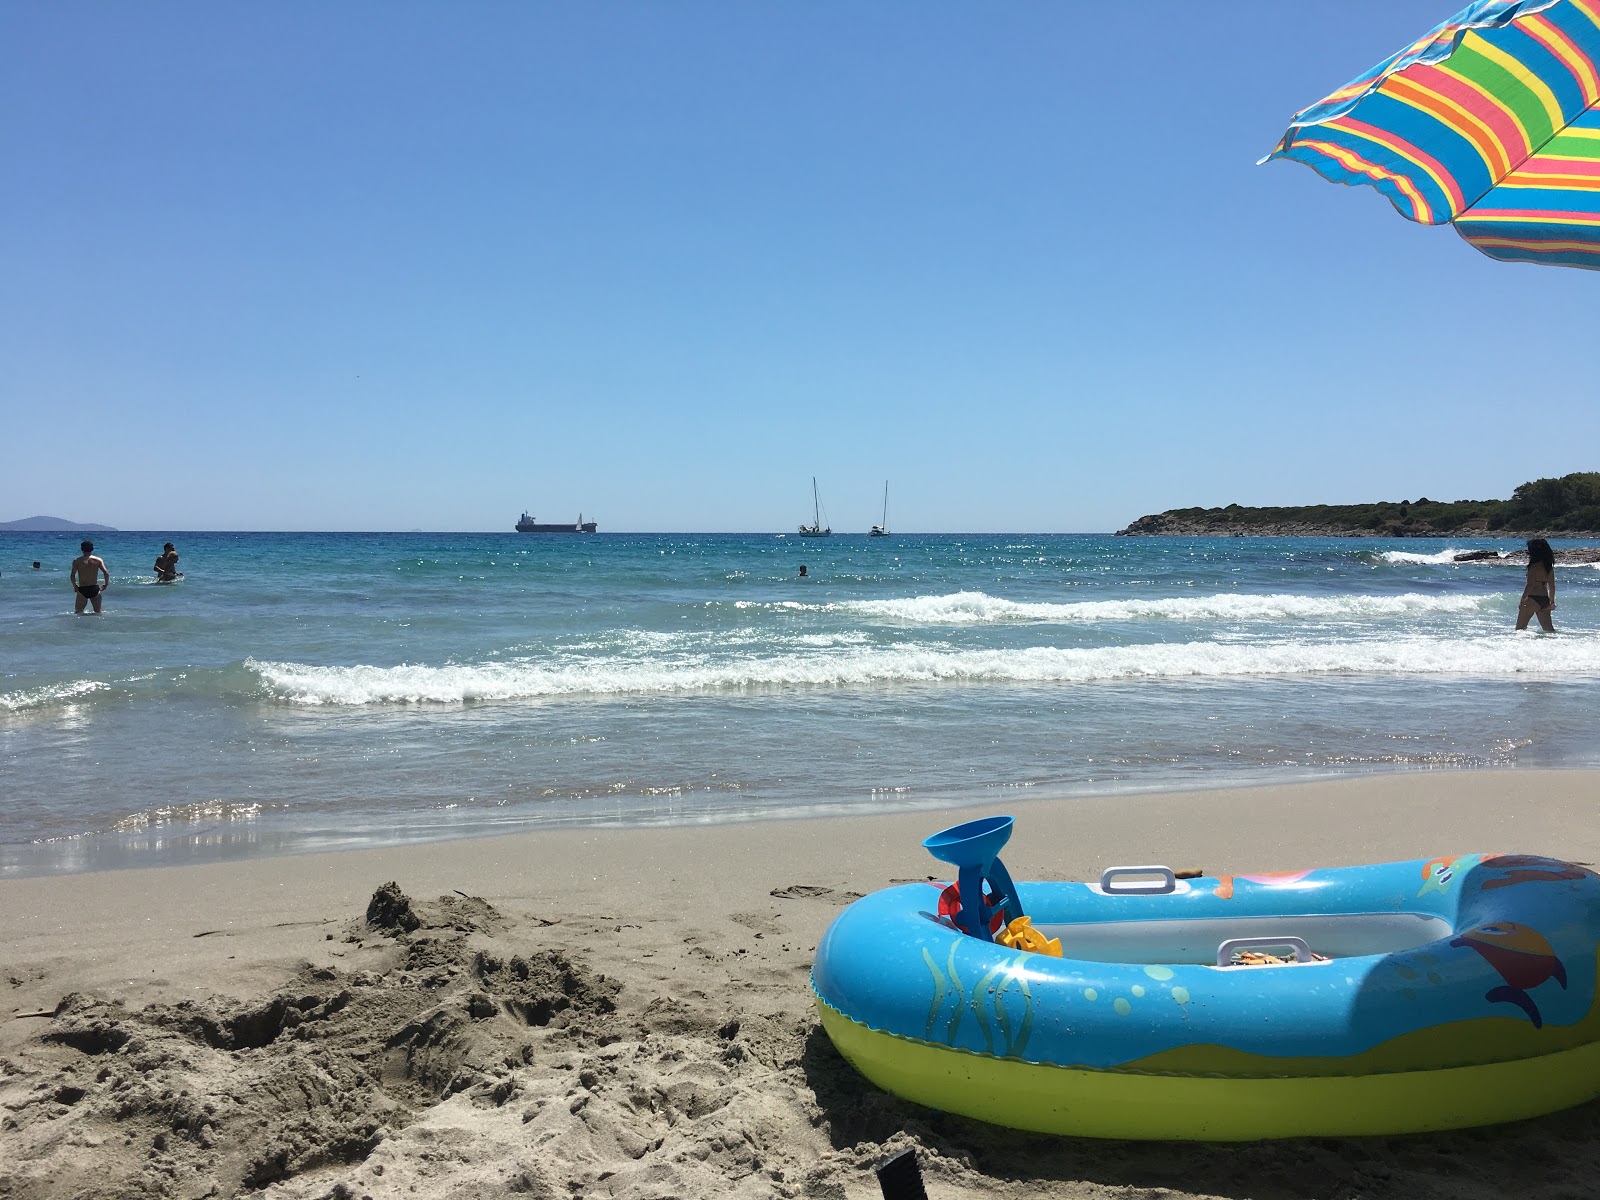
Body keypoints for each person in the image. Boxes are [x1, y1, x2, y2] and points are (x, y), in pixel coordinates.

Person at [1516, 538, 1557, 632]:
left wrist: (1523, 600)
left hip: (1531, 599)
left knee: (1520, 629)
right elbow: (1552, 586)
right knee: (1549, 631)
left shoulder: (1533, 567)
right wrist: (1551, 602)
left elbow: (1530, 585)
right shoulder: (1549, 567)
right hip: (1544, 599)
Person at [70, 541, 110, 614]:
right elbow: (106, 573)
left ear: (82, 549)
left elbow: (72, 575)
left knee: (78, 613)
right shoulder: (98, 560)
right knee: (98, 612)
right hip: (94, 588)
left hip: (82, 589)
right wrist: (106, 584)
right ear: (92, 549)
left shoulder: (77, 561)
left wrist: (75, 586)